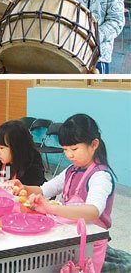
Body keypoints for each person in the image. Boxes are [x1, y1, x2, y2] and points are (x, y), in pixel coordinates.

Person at [13, 114, 116, 273]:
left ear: (94, 144)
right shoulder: (72, 169)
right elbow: (46, 189)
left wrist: (51, 208)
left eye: (74, 149)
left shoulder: (100, 176)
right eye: (65, 149)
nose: (69, 155)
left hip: (88, 243)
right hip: (69, 235)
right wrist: (24, 187)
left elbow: (93, 211)